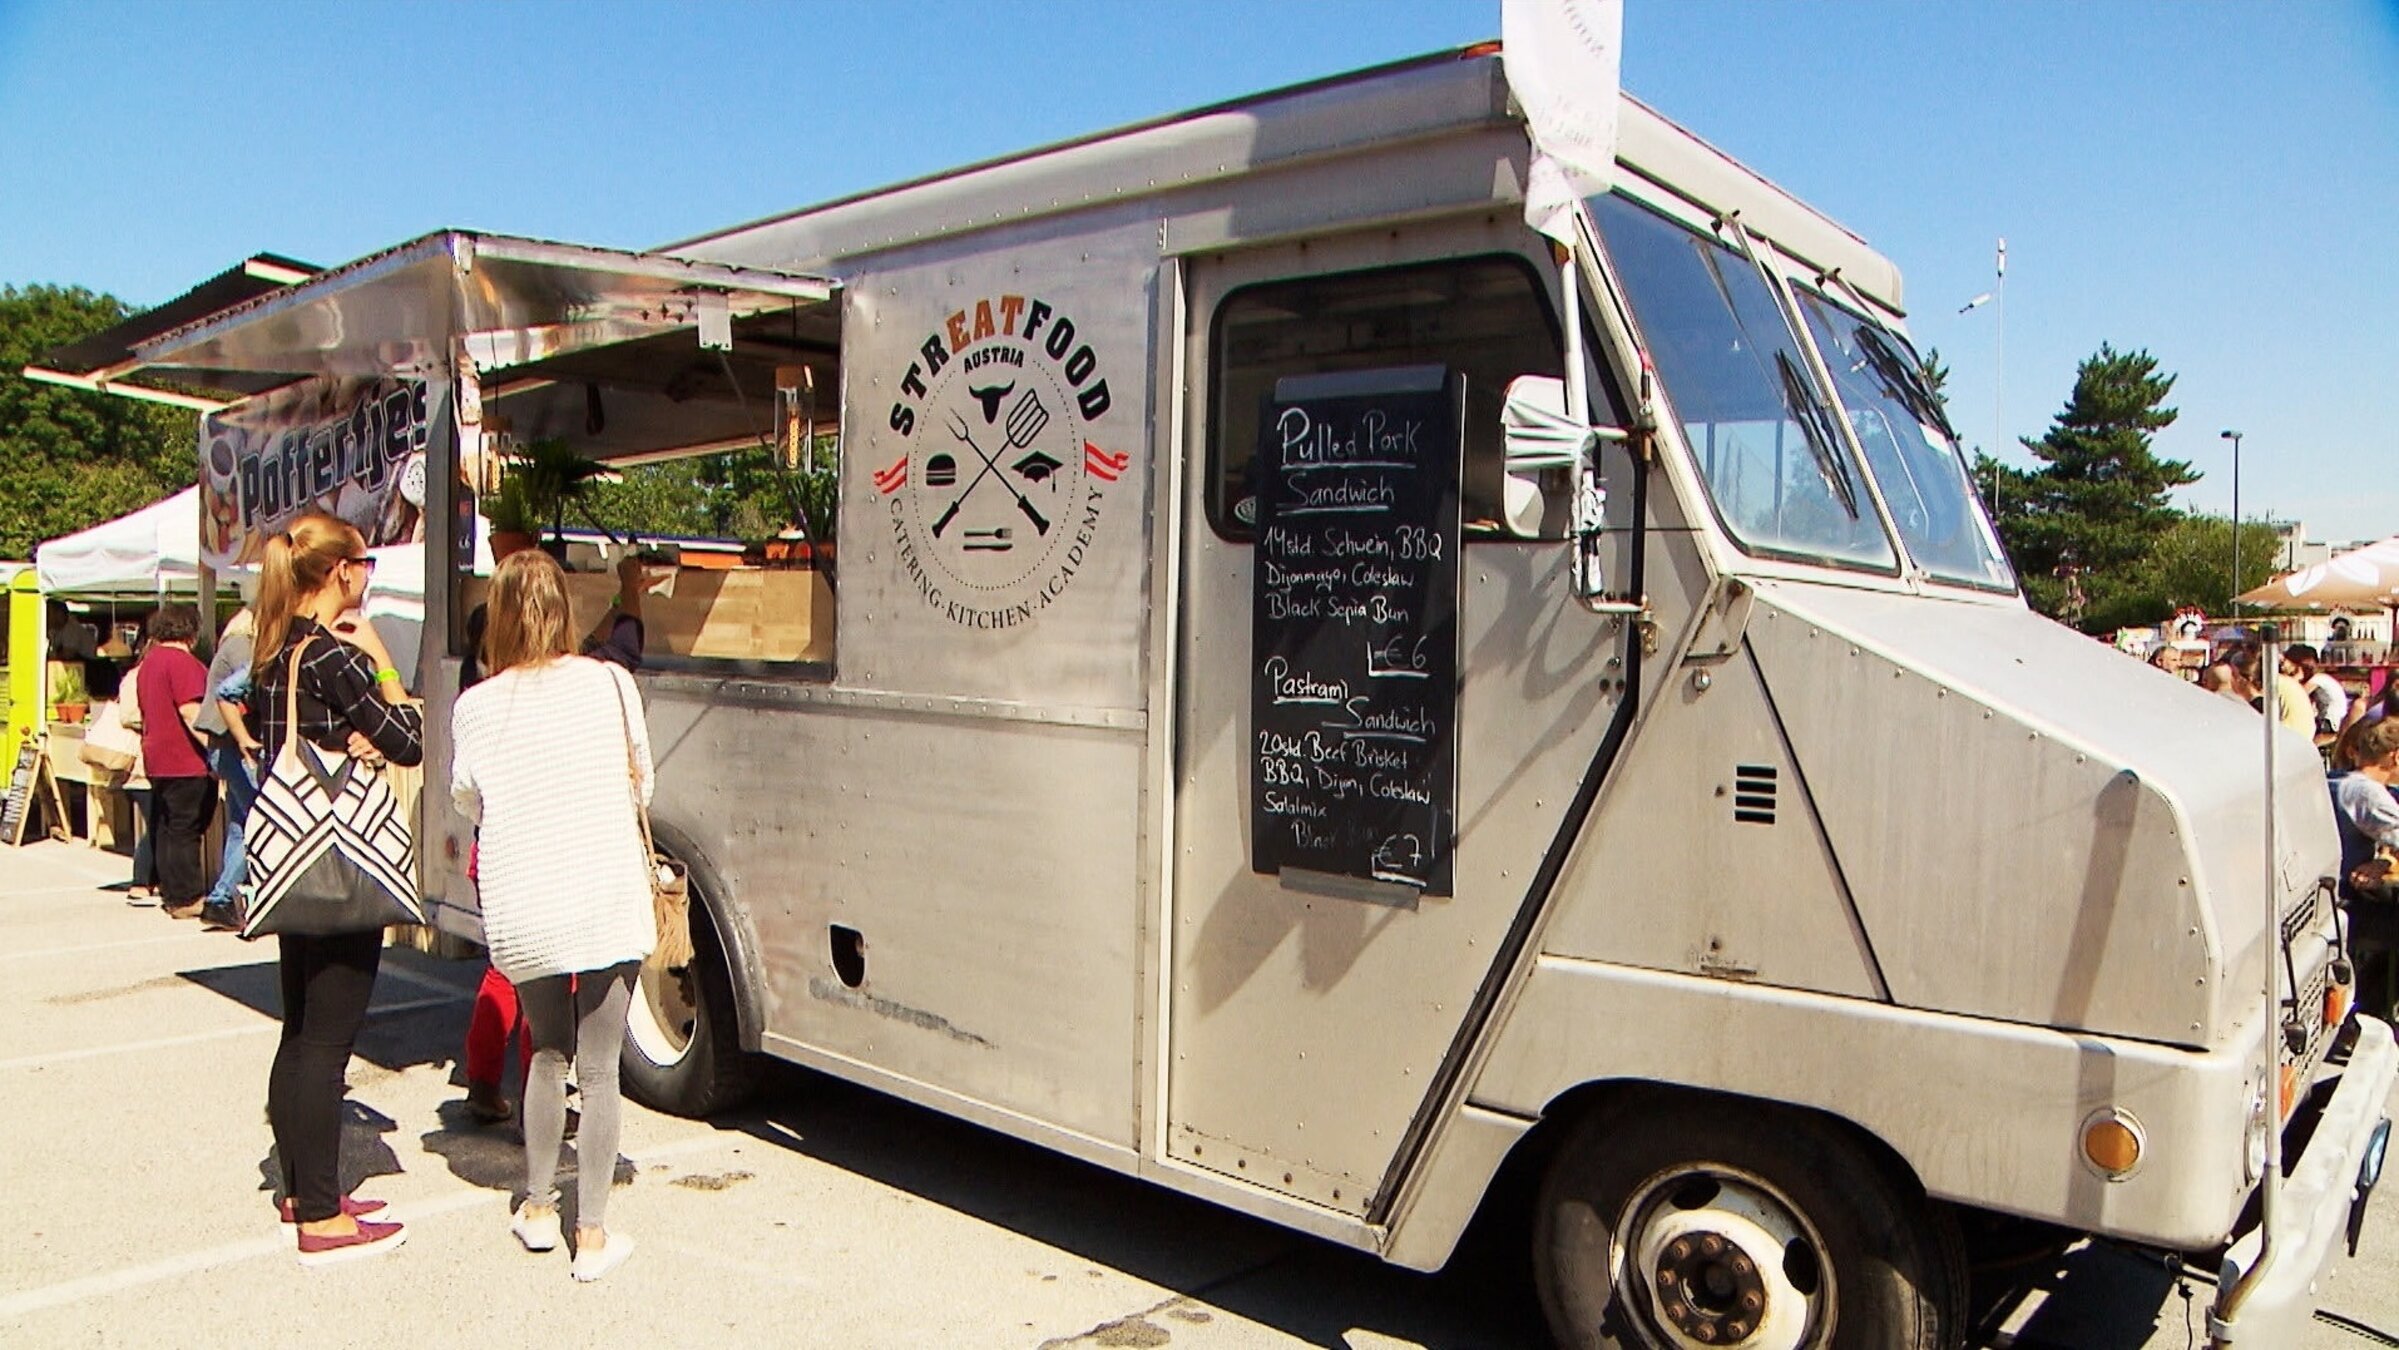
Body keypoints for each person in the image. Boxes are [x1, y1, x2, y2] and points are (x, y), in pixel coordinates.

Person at [451, 548, 654, 1282]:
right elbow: (644, 784)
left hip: (528, 900)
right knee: (600, 1071)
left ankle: (538, 1208)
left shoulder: (476, 703)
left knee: (545, 1053)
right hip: (602, 891)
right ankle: (592, 1235)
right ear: (566, 610)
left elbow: (466, 800)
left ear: (499, 618)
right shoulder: (610, 683)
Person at [252, 512, 424, 1265]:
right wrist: (382, 662)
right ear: (343, 572)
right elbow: (410, 739)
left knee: (298, 1032)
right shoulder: (337, 656)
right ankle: (321, 1215)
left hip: (295, 865)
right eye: (366, 564)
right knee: (328, 1043)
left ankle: (301, 1187)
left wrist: (361, 731)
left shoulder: (274, 655)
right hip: (341, 866)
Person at [133, 606, 224, 925]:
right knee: (187, 829)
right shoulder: (184, 663)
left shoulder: (149, 664)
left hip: (157, 756)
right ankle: (186, 897)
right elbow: (190, 712)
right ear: (192, 631)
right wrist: (214, 751)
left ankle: (172, 893)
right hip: (185, 758)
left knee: (168, 828)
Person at [194, 608, 258, 921]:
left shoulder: (231, 644)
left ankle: (223, 897)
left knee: (240, 822)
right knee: (256, 819)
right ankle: (222, 898)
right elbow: (246, 691)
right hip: (233, 743)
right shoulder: (242, 647)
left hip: (222, 744)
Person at [2286, 643, 2350, 736]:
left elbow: (2297, 696)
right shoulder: (2319, 678)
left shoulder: (2318, 679)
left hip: (2331, 722)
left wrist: (2295, 677)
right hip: (2328, 720)